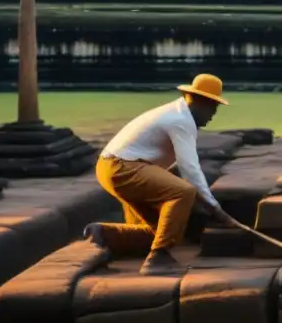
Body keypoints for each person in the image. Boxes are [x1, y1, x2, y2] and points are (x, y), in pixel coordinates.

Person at [84, 74, 236, 275]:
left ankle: (103, 233)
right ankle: (158, 257)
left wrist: (206, 205)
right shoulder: (181, 121)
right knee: (183, 192)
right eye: (213, 108)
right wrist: (216, 209)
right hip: (123, 168)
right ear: (201, 102)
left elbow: (174, 169)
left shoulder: (174, 113)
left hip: (113, 168)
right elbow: (190, 169)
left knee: (160, 231)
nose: (213, 114)